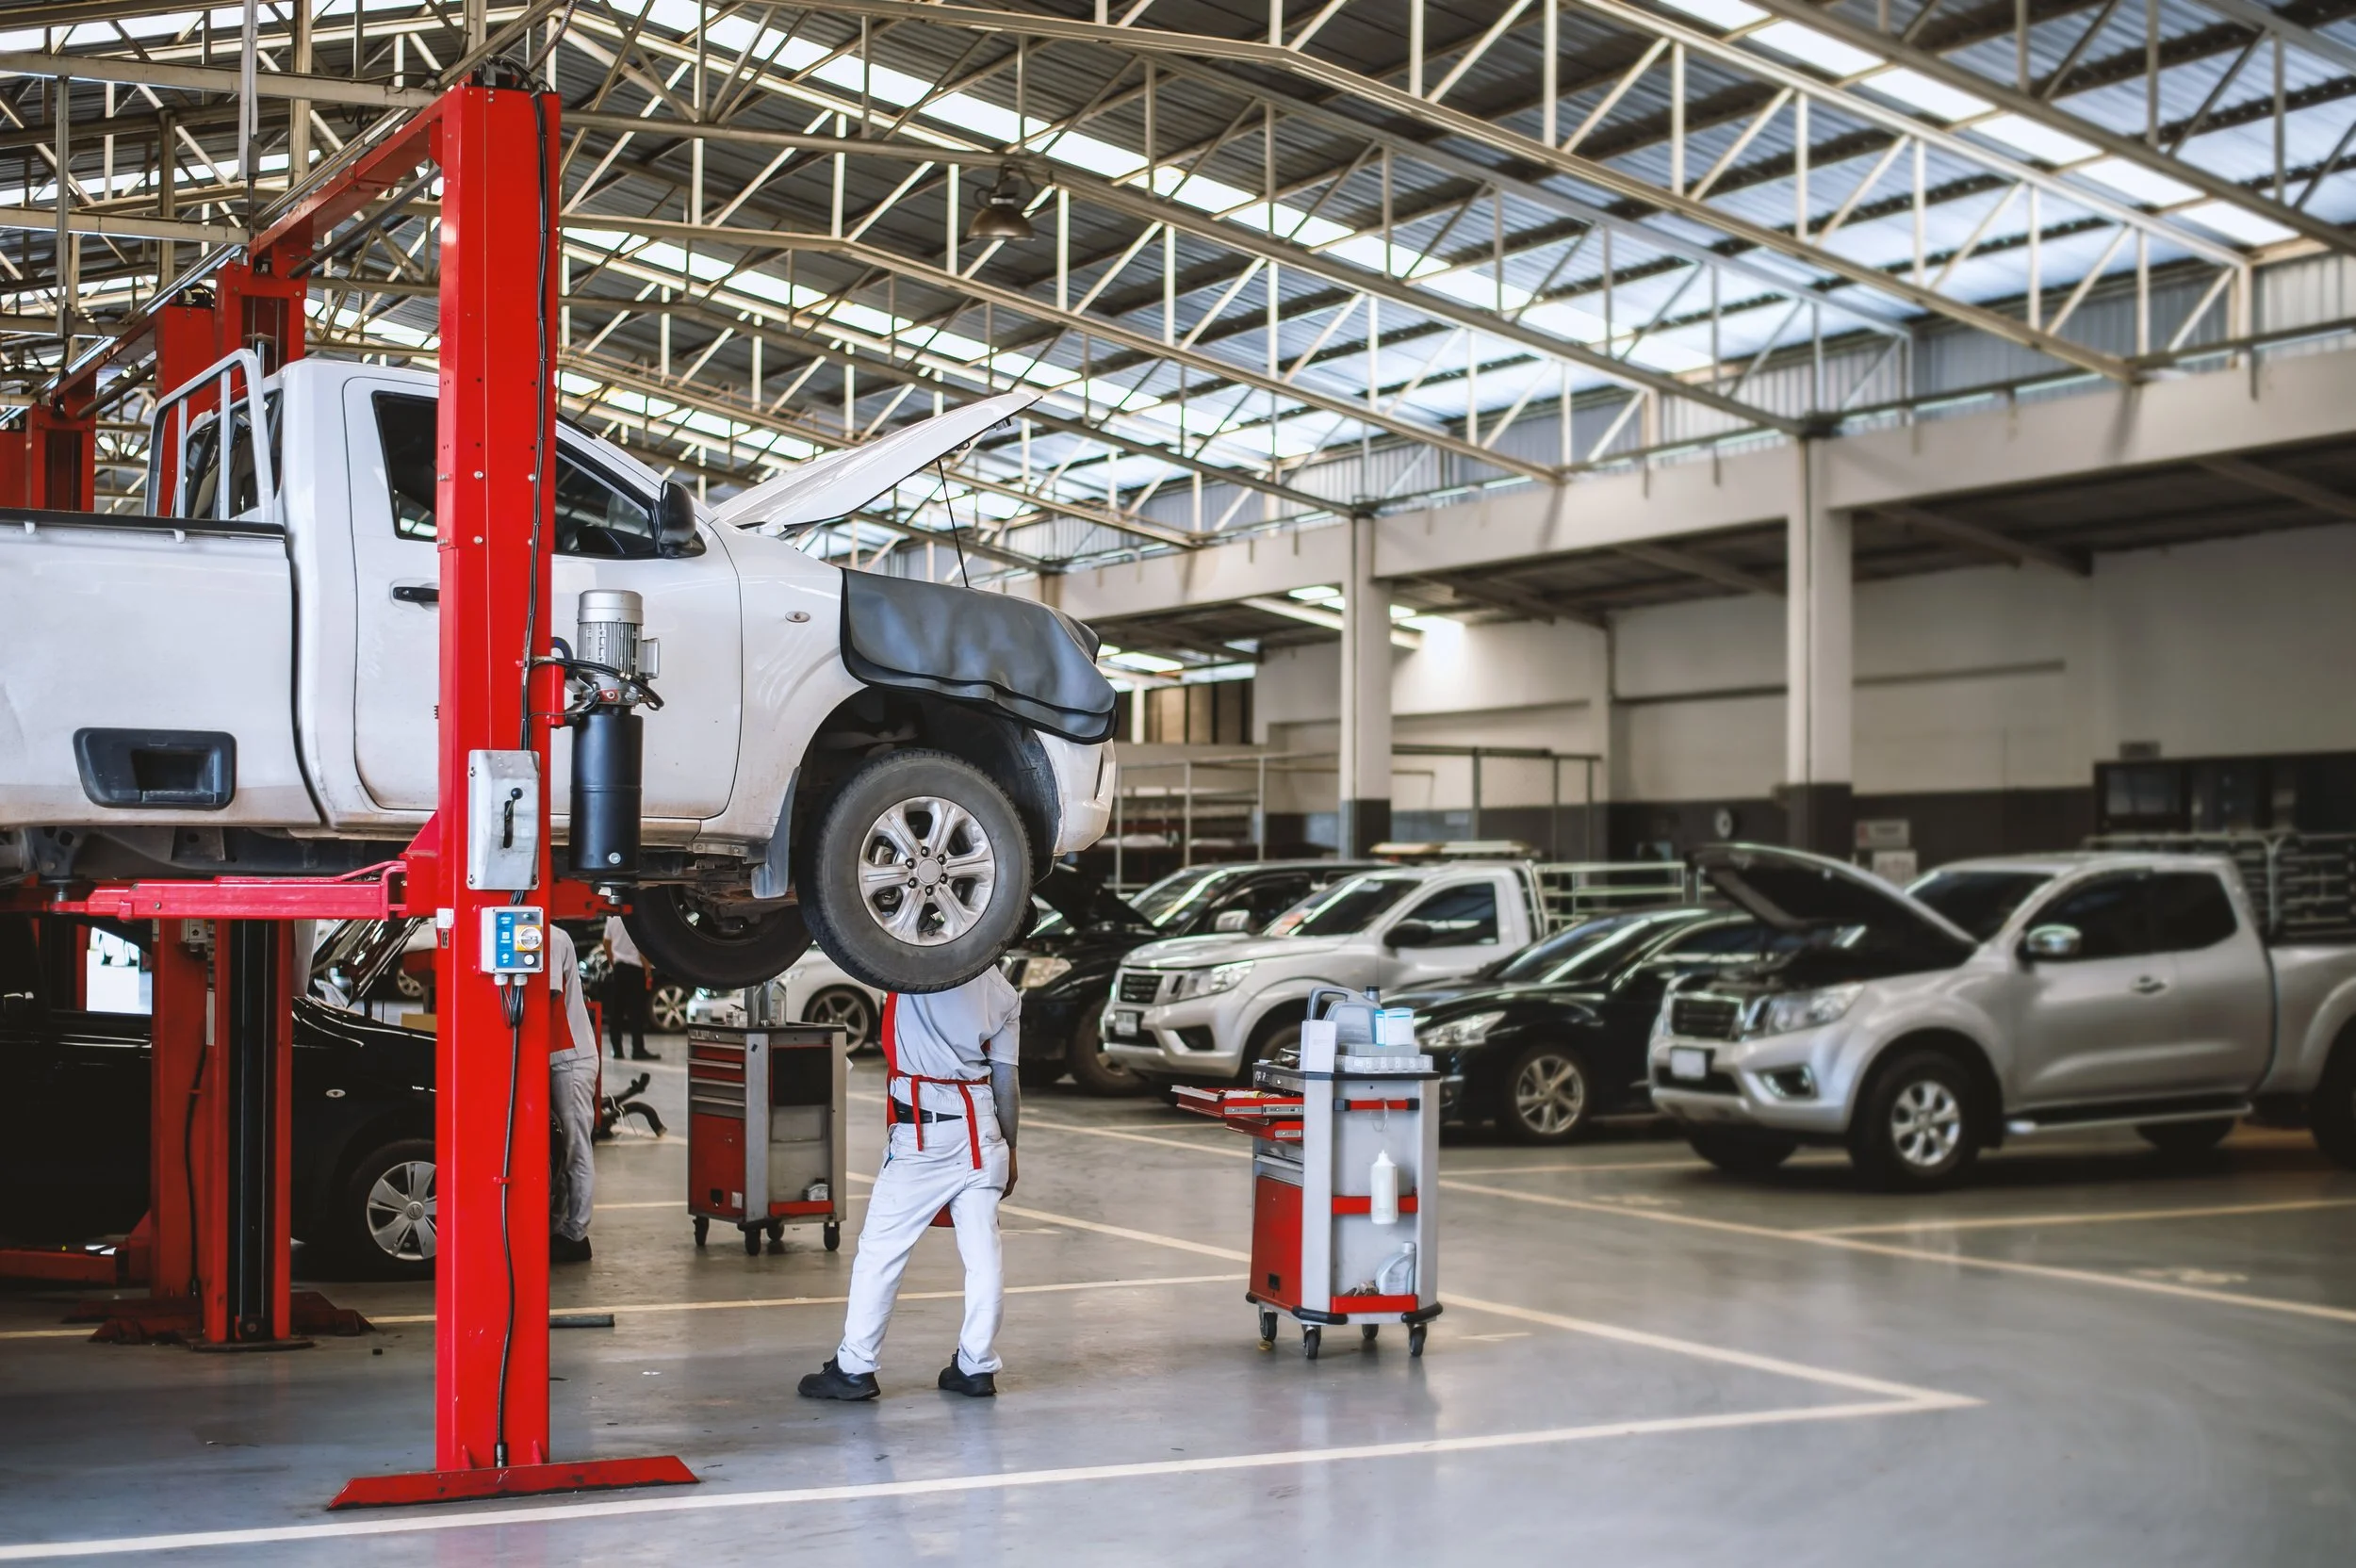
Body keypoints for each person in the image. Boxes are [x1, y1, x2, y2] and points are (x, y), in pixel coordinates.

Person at [799, 969, 1021, 1401]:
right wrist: (1011, 1150)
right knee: (983, 1254)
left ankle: (854, 1367)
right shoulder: (1004, 993)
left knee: (881, 1251)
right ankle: (976, 1366)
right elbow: (1006, 1081)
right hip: (983, 1126)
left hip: (925, 1129)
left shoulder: (913, 962)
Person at [548, 924, 600, 1265]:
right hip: (553, 1058)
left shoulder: (549, 936)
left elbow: (545, 995)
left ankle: (576, 1234)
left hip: (570, 1059)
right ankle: (558, 1228)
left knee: (576, 1147)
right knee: (561, 1151)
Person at [601, 914, 658, 1061]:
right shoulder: (635, 918)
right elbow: (640, 946)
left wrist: (612, 963)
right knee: (636, 1012)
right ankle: (637, 1049)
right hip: (635, 969)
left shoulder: (612, 917)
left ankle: (617, 1050)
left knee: (617, 1011)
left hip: (619, 968)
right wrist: (647, 969)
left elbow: (606, 942)